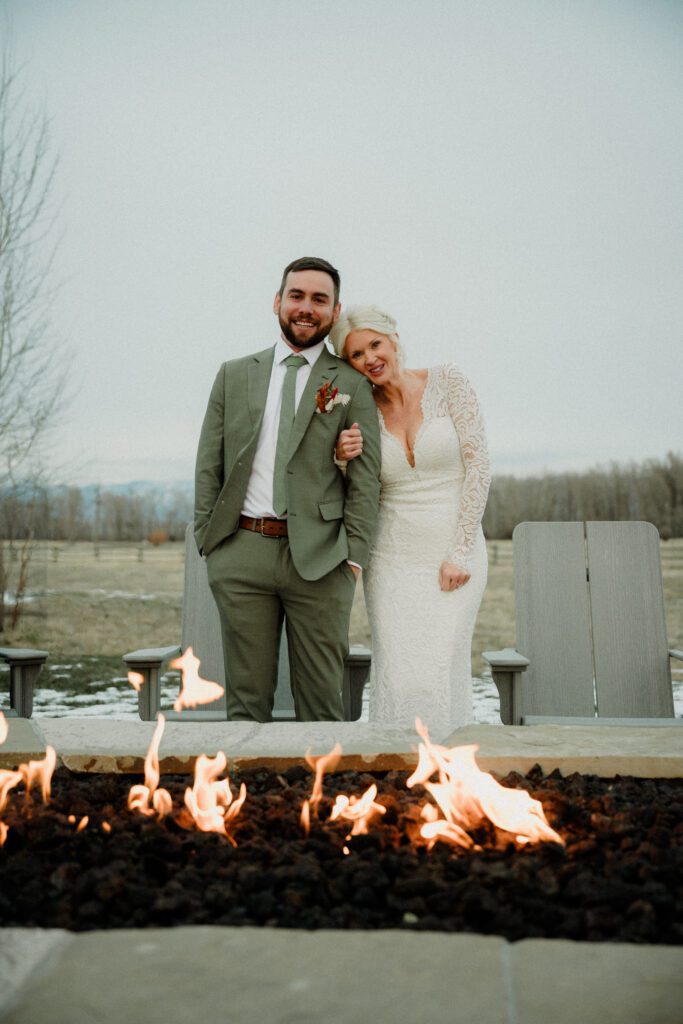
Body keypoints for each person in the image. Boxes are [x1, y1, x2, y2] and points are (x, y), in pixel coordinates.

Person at [194, 259, 381, 722]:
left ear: (335, 312)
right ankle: (246, 793)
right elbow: (208, 466)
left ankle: (321, 795)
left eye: (320, 299)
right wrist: (210, 543)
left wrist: (352, 558)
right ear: (278, 302)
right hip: (242, 552)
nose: (306, 307)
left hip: (321, 561)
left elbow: (366, 480)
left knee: (322, 707)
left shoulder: (352, 383)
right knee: (245, 706)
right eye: (297, 295)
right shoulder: (233, 374)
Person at [329, 305, 490, 734]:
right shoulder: (359, 410)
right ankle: (397, 772)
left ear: (393, 339)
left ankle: (448, 770)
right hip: (392, 560)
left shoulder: (449, 381)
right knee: (399, 672)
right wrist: (341, 460)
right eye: (356, 355)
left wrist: (460, 551)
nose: (370, 359)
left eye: (375, 345)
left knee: (439, 665)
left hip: (454, 552)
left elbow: (479, 467)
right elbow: (364, 491)